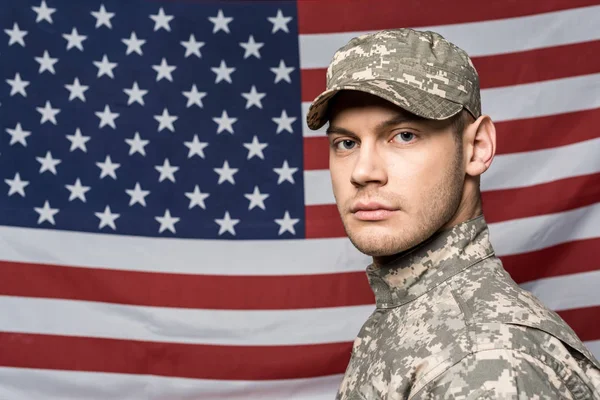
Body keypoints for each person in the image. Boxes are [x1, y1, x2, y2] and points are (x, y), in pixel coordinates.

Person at [305, 28, 600, 399]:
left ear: (477, 148)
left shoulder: (482, 357)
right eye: (346, 143)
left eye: (405, 135)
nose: (363, 172)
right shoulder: (415, 313)